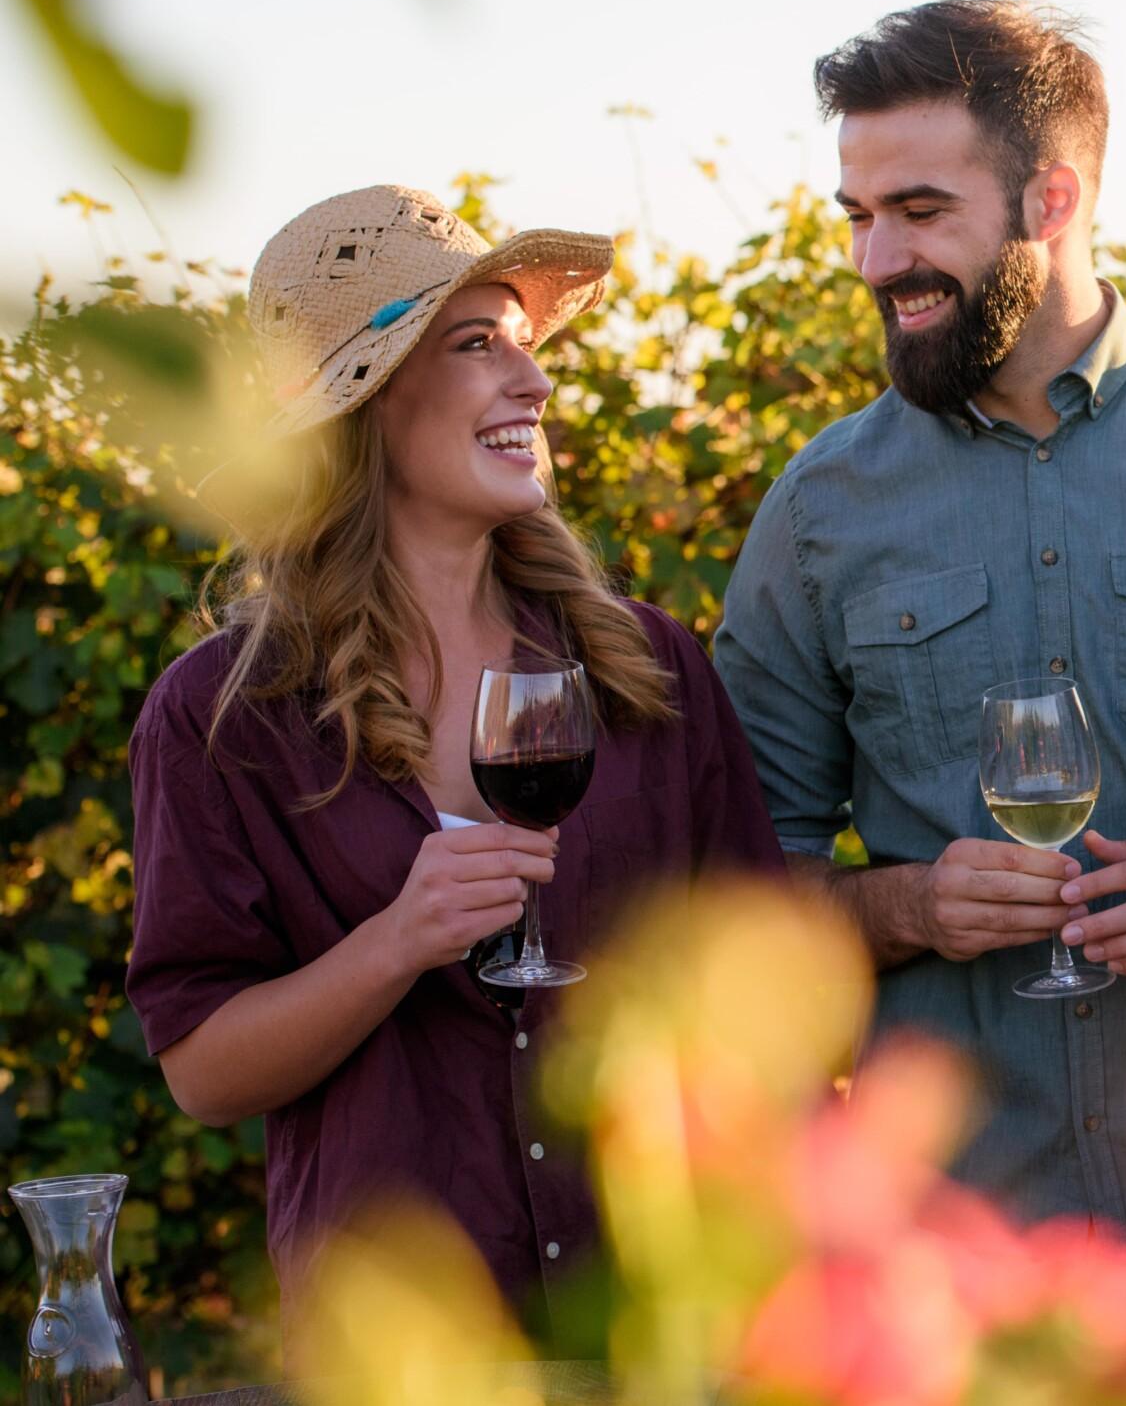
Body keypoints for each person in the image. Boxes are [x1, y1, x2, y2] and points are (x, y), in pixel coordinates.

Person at [713, 0, 1126, 1248]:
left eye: (919, 212)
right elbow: (743, 899)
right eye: (857, 215)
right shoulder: (819, 511)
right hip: (957, 1265)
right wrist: (909, 908)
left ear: (1051, 201)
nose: (872, 260)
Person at [125, 186, 786, 1345]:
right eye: (477, 345)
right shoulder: (222, 716)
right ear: (363, 407)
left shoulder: (644, 669)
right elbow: (203, 1069)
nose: (532, 382)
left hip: (659, 1319)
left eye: (526, 346)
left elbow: (765, 977)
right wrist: (396, 939)